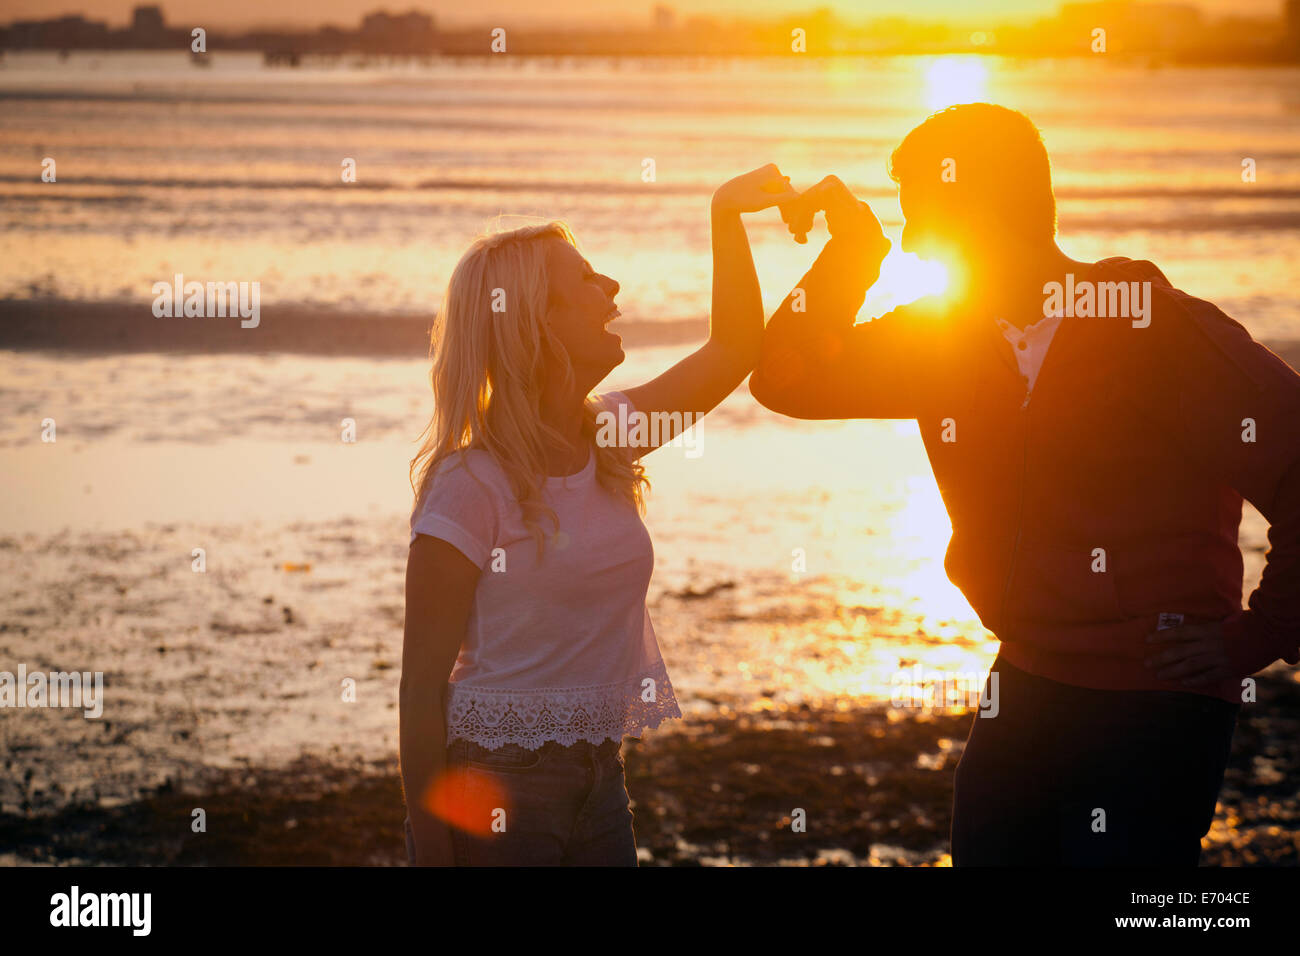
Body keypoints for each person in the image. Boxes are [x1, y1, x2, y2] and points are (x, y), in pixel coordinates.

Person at [751, 103, 1300, 865]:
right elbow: (785, 379)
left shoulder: (1160, 331)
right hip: (1025, 682)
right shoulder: (944, 339)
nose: (911, 242)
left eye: (921, 220)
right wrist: (854, 249)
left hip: (1158, 701)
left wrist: (1259, 635)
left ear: (984, 215)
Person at [400, 164, 800, 865]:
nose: (610, 288)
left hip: (602, 779)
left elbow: (736, 349)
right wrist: (432, 854)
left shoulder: (610, 434)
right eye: (584, 280)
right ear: (536, 321)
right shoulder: (470, 483)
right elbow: (421, 689)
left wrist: (726, 216)